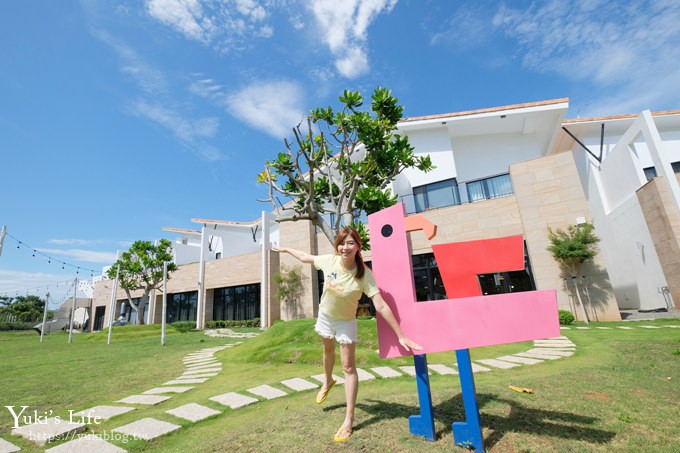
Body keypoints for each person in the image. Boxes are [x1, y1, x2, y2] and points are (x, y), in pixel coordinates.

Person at [274, 227, 422, 443]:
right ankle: (327, 381)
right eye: (342, 243)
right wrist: (285, 248)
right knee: (327, 349)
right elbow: (306, 257)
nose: (345, 247)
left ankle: (349, 419)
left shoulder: (364, 274)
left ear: (358, 246)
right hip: (325, 315)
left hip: (346, 322)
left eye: (350, 243)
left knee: (348, 367)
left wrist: (400, 335)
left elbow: (380, 304)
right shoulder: (330, 261)